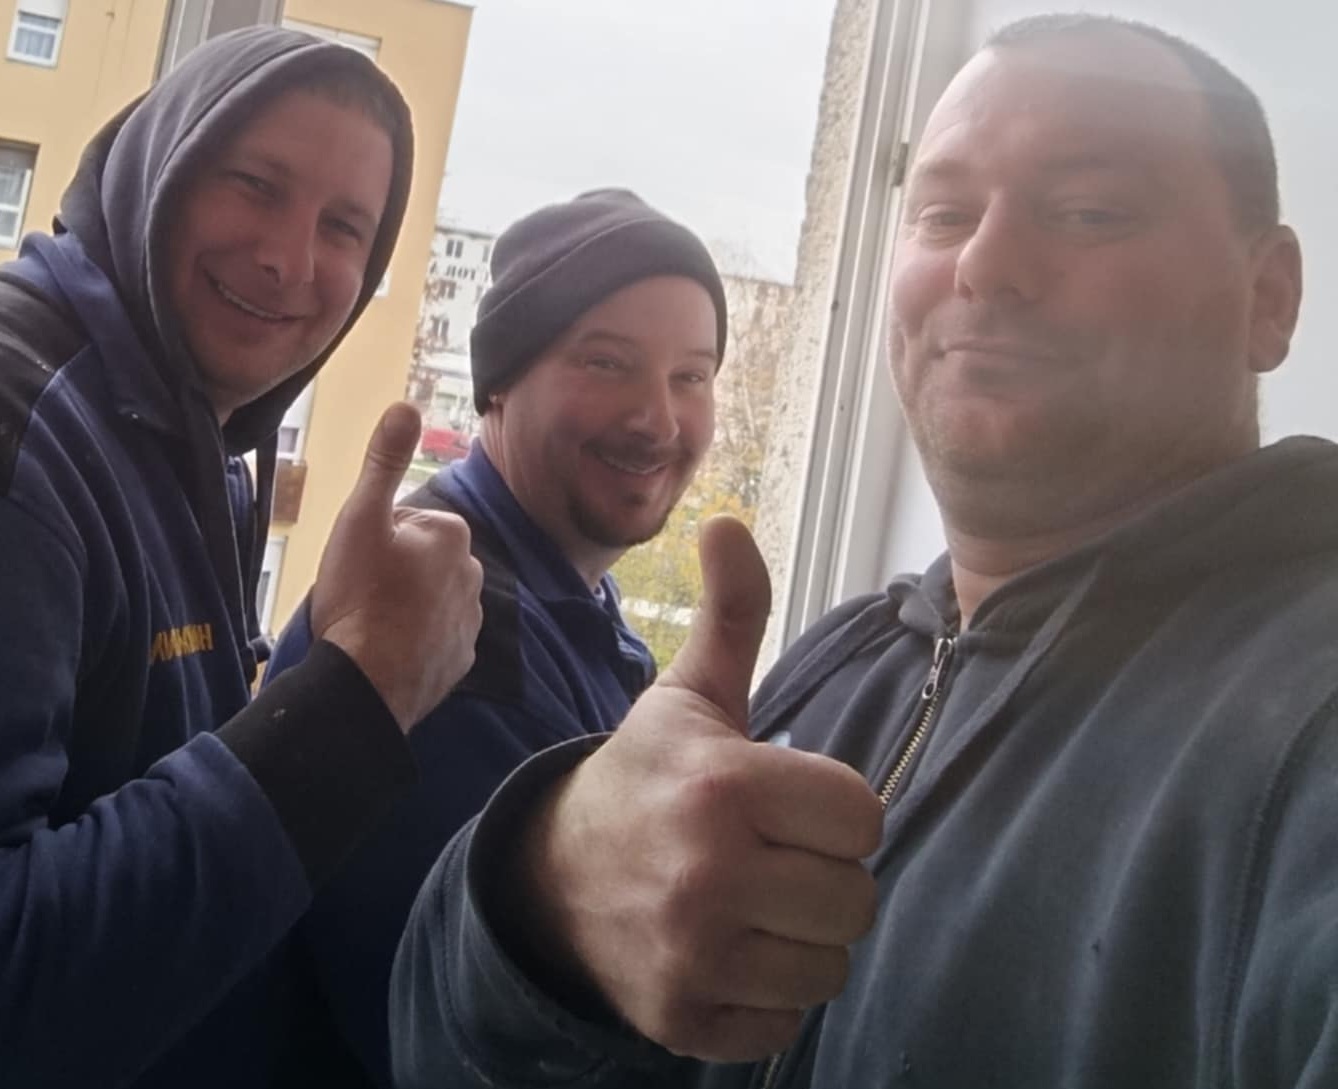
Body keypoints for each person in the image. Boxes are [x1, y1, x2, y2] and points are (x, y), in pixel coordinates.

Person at [390, 13, 1338, 1089]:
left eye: (1089, 210)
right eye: (945, 213)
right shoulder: (840, 662)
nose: (984, 263)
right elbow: (420, 1048)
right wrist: (541, 892)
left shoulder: (1309, 721)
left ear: (1269, 298)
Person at [0, 26, 483, 1089]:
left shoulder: (192, 437)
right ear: (162, 169)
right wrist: (358, 696)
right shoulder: (24, 419)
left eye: (344, 227)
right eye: (255, 186)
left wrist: (315, 672)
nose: (290, 261)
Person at [265, 188, 729, 1086]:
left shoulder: (560, 595)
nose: (659, 419)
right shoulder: (449, 627)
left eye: (692, 376)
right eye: (607, 362)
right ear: (500, 382)